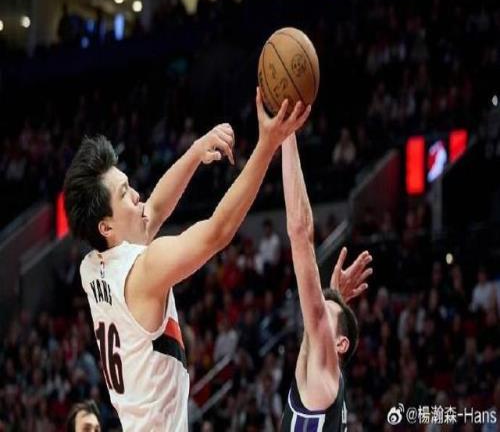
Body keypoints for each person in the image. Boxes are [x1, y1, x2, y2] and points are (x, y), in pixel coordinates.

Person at [63, 90, 310, 431]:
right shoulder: (143, 271)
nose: (136, 195)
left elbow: (153, 211)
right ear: (106, 226)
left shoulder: (91, 266)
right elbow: (217, 232)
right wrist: (267, 145)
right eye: (124, 194)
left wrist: (195, 152)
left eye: (129, 185)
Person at [280, 133, 372, 431]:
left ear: (340, 344)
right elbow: (313, 331)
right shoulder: (318, 380)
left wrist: (286, 132)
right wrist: (336, 297)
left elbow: (300, 231)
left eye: (324, 309)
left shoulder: (324, 377)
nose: (317, 305)